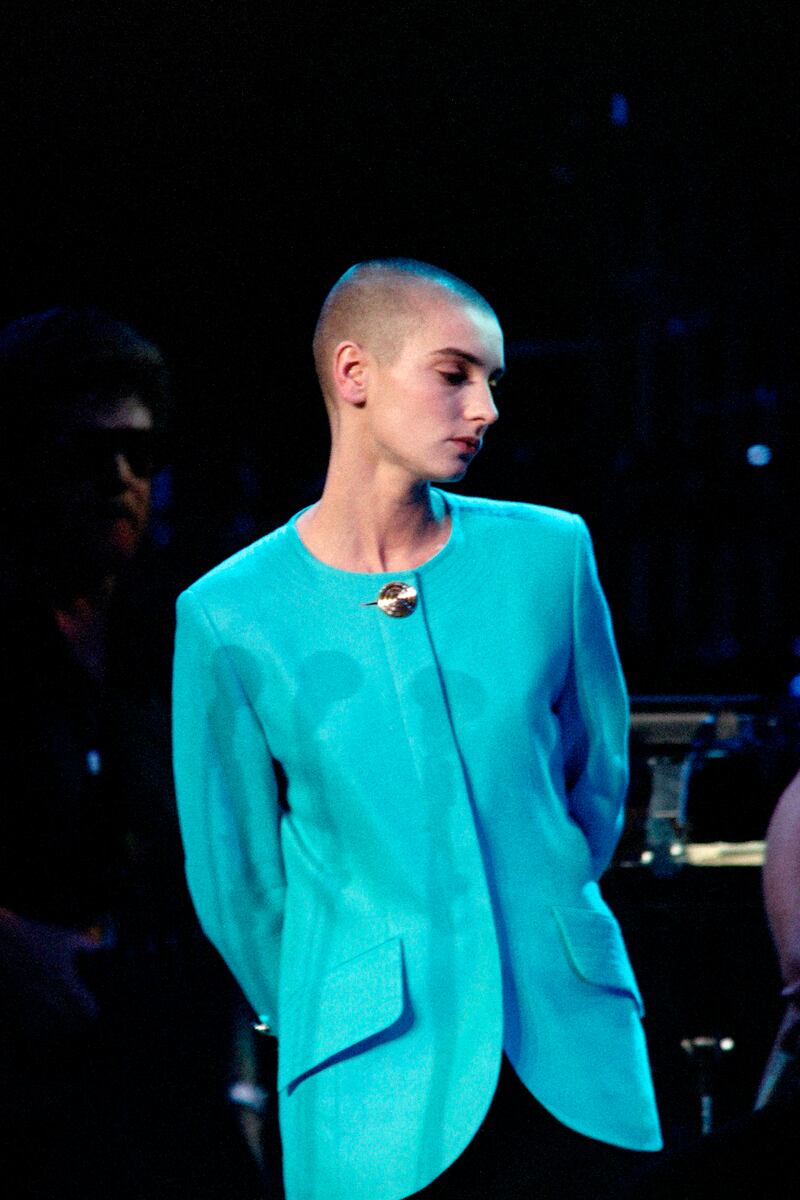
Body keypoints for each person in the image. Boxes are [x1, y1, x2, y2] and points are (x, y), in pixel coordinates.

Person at [172, 259, 662, 1200]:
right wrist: (331, 1000)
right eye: (454, 374)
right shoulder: (231, 613)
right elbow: (236, 880)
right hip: (372, 1085)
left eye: (492, 381)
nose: (484, 408)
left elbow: (596, 780)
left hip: (569, 1049)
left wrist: (537, 896)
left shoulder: (549, 552)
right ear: (355, 375)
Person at [0, 307, 259, 1199]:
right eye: (87, 454)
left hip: (156, 1088)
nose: (119, 479)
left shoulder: (173, 642)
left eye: (139, 457)